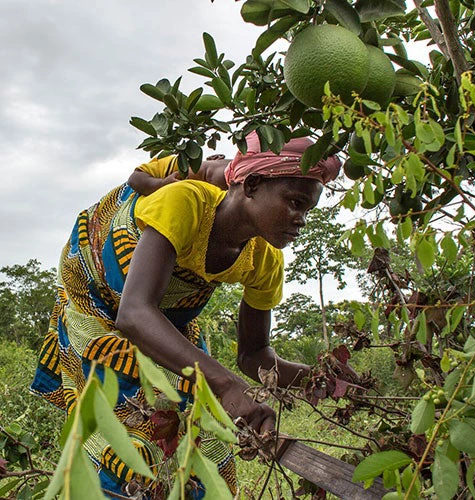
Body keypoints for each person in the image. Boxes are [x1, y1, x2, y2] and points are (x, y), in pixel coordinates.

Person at [30, 132, 340, 497]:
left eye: (307, 210)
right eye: (294, 202)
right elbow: (133, 315)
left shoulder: (265, 260)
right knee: (129, 433)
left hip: (164, 317)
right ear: (252, 184)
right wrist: (224, 384)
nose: (301, 219)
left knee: (206, 431)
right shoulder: (184, 202)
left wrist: (322, 381)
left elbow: (253, 355)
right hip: (99, 298)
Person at [127, 153, 230, 195]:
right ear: (214, 157)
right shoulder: (179, 163)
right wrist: (162, 183)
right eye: (206, 176)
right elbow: (135, 178)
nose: (198, 185)